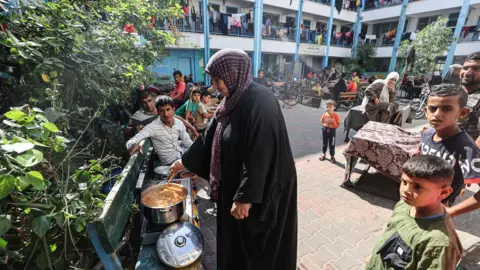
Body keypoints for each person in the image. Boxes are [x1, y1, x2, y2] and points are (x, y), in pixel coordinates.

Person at [169, 49, 297, 270]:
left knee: (258, 249)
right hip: (238, 187)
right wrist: (185, 162)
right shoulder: (231, 101)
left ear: (235, 73)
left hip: (262, 194)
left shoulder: (260, 101)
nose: (214, 86)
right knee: (236, 245)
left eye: (218, 79)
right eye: (213, 80)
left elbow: (260, 153)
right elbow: (210, 135)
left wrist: (245, 197)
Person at [366, 155, 462, 270]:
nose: (406, 191)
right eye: (404, 182)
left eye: (417, 186)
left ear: (444, 192)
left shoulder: (439, 243)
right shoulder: (404, 205)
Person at [418, 84, 480, 207]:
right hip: (417, 199)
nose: (437, 114)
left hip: (437, 208)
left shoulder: (466, 148)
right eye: (432, 108)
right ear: (426, 111)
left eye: (447, 109)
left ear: (462, 112)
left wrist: (451, 212)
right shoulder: (427, 133)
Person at [126, 96, 193, 165]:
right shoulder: (153, 127)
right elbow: (132, 140)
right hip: (171, 163)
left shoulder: (179, 123)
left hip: (182, 154)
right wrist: (133, 145)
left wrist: (198, 149)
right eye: (162, 111)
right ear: (158, 112)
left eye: (168, 109)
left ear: (173, 109)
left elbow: (187, 141)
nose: (166, 114)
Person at [125, 91, 198, 140]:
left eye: (149, 100)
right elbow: (128, 133)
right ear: (141, 104)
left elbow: (176, 117)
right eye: (144, 102)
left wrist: (192, 128)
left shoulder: (161, 108)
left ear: (153, 99)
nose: (148, 105)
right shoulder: (137, 117)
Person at [458, 51, 480, 147]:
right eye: (465, 68)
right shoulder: (454, 92)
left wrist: (470, 159)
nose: (467, 73)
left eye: (476, 69)